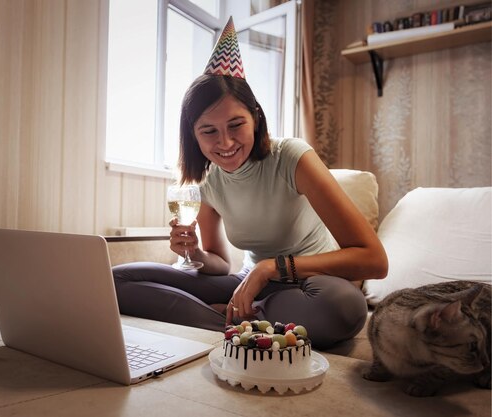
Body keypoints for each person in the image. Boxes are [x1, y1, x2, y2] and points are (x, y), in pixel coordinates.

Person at [112, 17, 388, 349]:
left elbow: (374, 259)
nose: (225, 142)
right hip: (246, 283)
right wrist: (195, 252)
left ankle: (234, 319)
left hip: (310, 287)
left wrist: (271, 269)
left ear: (255, 118)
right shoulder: (205, 179)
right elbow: (218, 262)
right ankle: (240, 325)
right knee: (116, 281)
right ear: (193, 135)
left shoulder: (293, 157)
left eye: (236, 124)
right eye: (209, 130)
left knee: (345, 309)